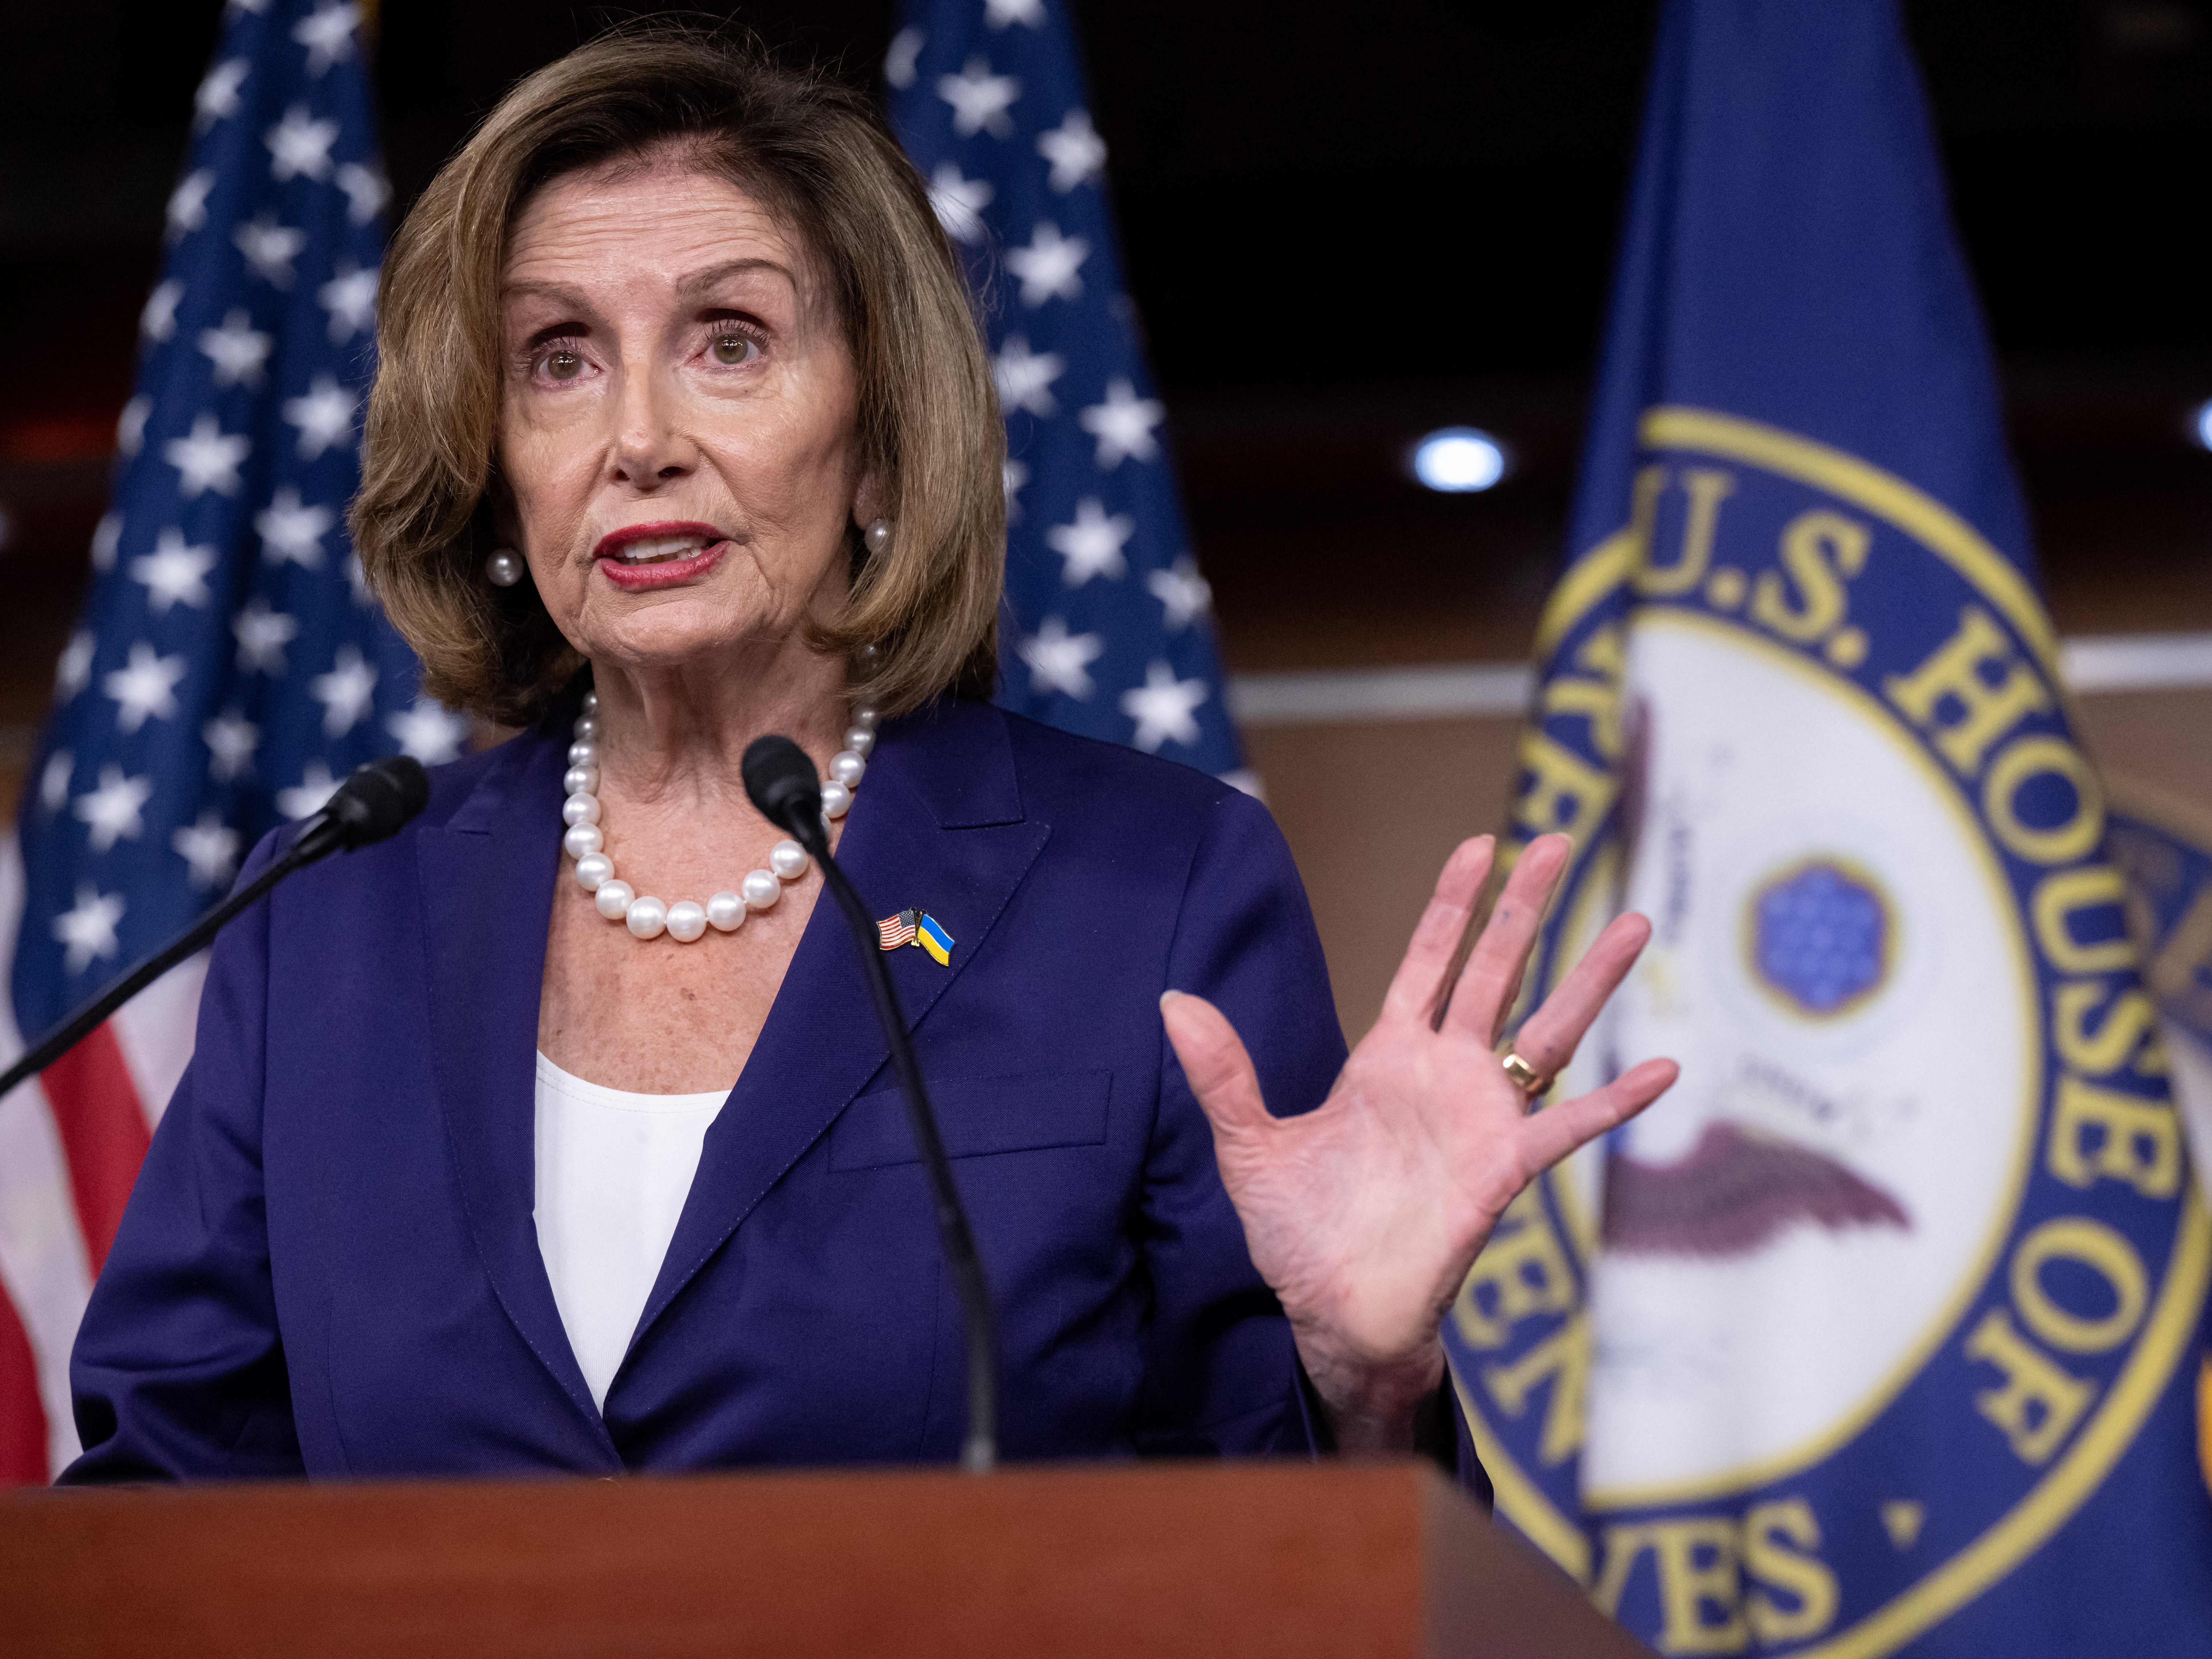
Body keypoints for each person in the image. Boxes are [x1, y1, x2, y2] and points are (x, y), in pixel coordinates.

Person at [63, 31, 1675, 1481]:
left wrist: (1360, 1375)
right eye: (557, 357)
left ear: (884, 434)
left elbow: (1280, 1556)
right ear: (494, 468)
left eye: (732, 342)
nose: (637, 438)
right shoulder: (330, 913)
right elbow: (165, 1502)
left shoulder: (1151, 887)